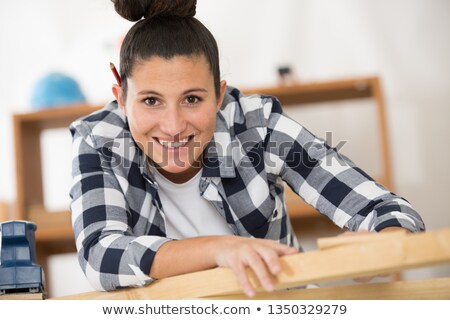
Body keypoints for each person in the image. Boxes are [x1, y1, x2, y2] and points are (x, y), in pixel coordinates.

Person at [69, 0, 425, 297]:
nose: (174, 126)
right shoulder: (98, 139)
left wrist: (384, 240)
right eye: (151, 101)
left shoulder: (257, 125)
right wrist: (219, 249)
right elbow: (100, 254)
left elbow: (385, 208)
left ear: (220, 94)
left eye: (192, 98)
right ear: (120, 97)